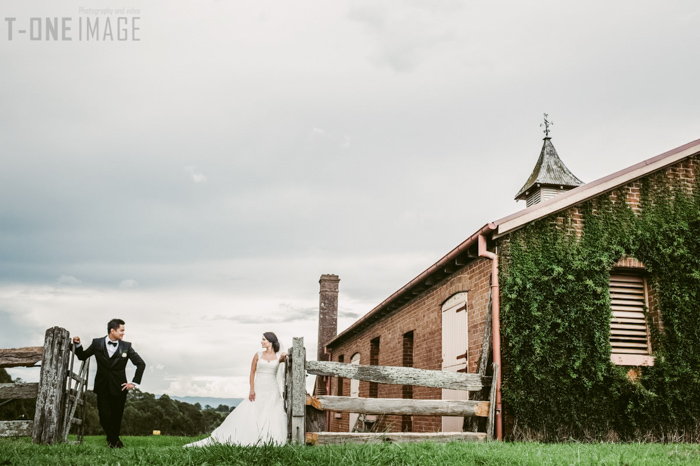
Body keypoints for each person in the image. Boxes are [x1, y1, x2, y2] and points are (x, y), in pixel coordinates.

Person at [185, 332, 287, 447]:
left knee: (270, 412)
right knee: (254, 411)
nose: (261, 342)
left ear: (271, 341)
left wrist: (284, 356)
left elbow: (285, 361)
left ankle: (269, 438)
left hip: (272, 388)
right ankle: (252, 436)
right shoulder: (258, 354)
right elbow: (252, 372)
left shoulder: (279, 356)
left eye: (264, 339)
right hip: (259, 387)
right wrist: (252, 389)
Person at [73, 318, 146, 448]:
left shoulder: (126, 346)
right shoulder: (97, 343)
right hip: (102, 386)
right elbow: (82, 356)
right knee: (104, 417)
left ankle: (113, 444)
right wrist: (78, 345)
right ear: (112, 331)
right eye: (121, 330)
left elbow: (141, 364)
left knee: (116, 418)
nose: (123, 333)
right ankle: (116, 442)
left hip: (120, 388)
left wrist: (133, 383)